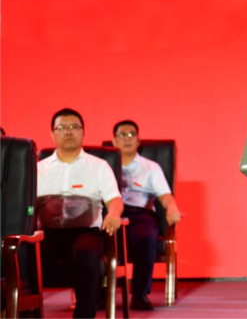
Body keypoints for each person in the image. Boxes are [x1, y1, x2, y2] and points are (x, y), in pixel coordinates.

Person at [38, 108, 122, 319]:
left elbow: (114, 199)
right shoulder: (38, 168)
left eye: (74, 127)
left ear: (83, 132)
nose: (68, 132)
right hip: (47, 234)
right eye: (62, 128)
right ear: (52, 134)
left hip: (86, 232)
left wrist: (113, 214)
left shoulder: (99, 166)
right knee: (20, 253)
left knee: (85, 253)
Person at [111, 120, 180, 311]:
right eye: (122, 135)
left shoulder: (150, 167)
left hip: (140, 213)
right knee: (97, 234)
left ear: (138, 140)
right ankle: (99, 293)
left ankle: (139, 294)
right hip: (111, 212)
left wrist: (172, 208)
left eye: (131, 134)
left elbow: (165, 195)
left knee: (146, 236)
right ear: (114, 140)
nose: (127, 139)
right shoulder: (104, 165)